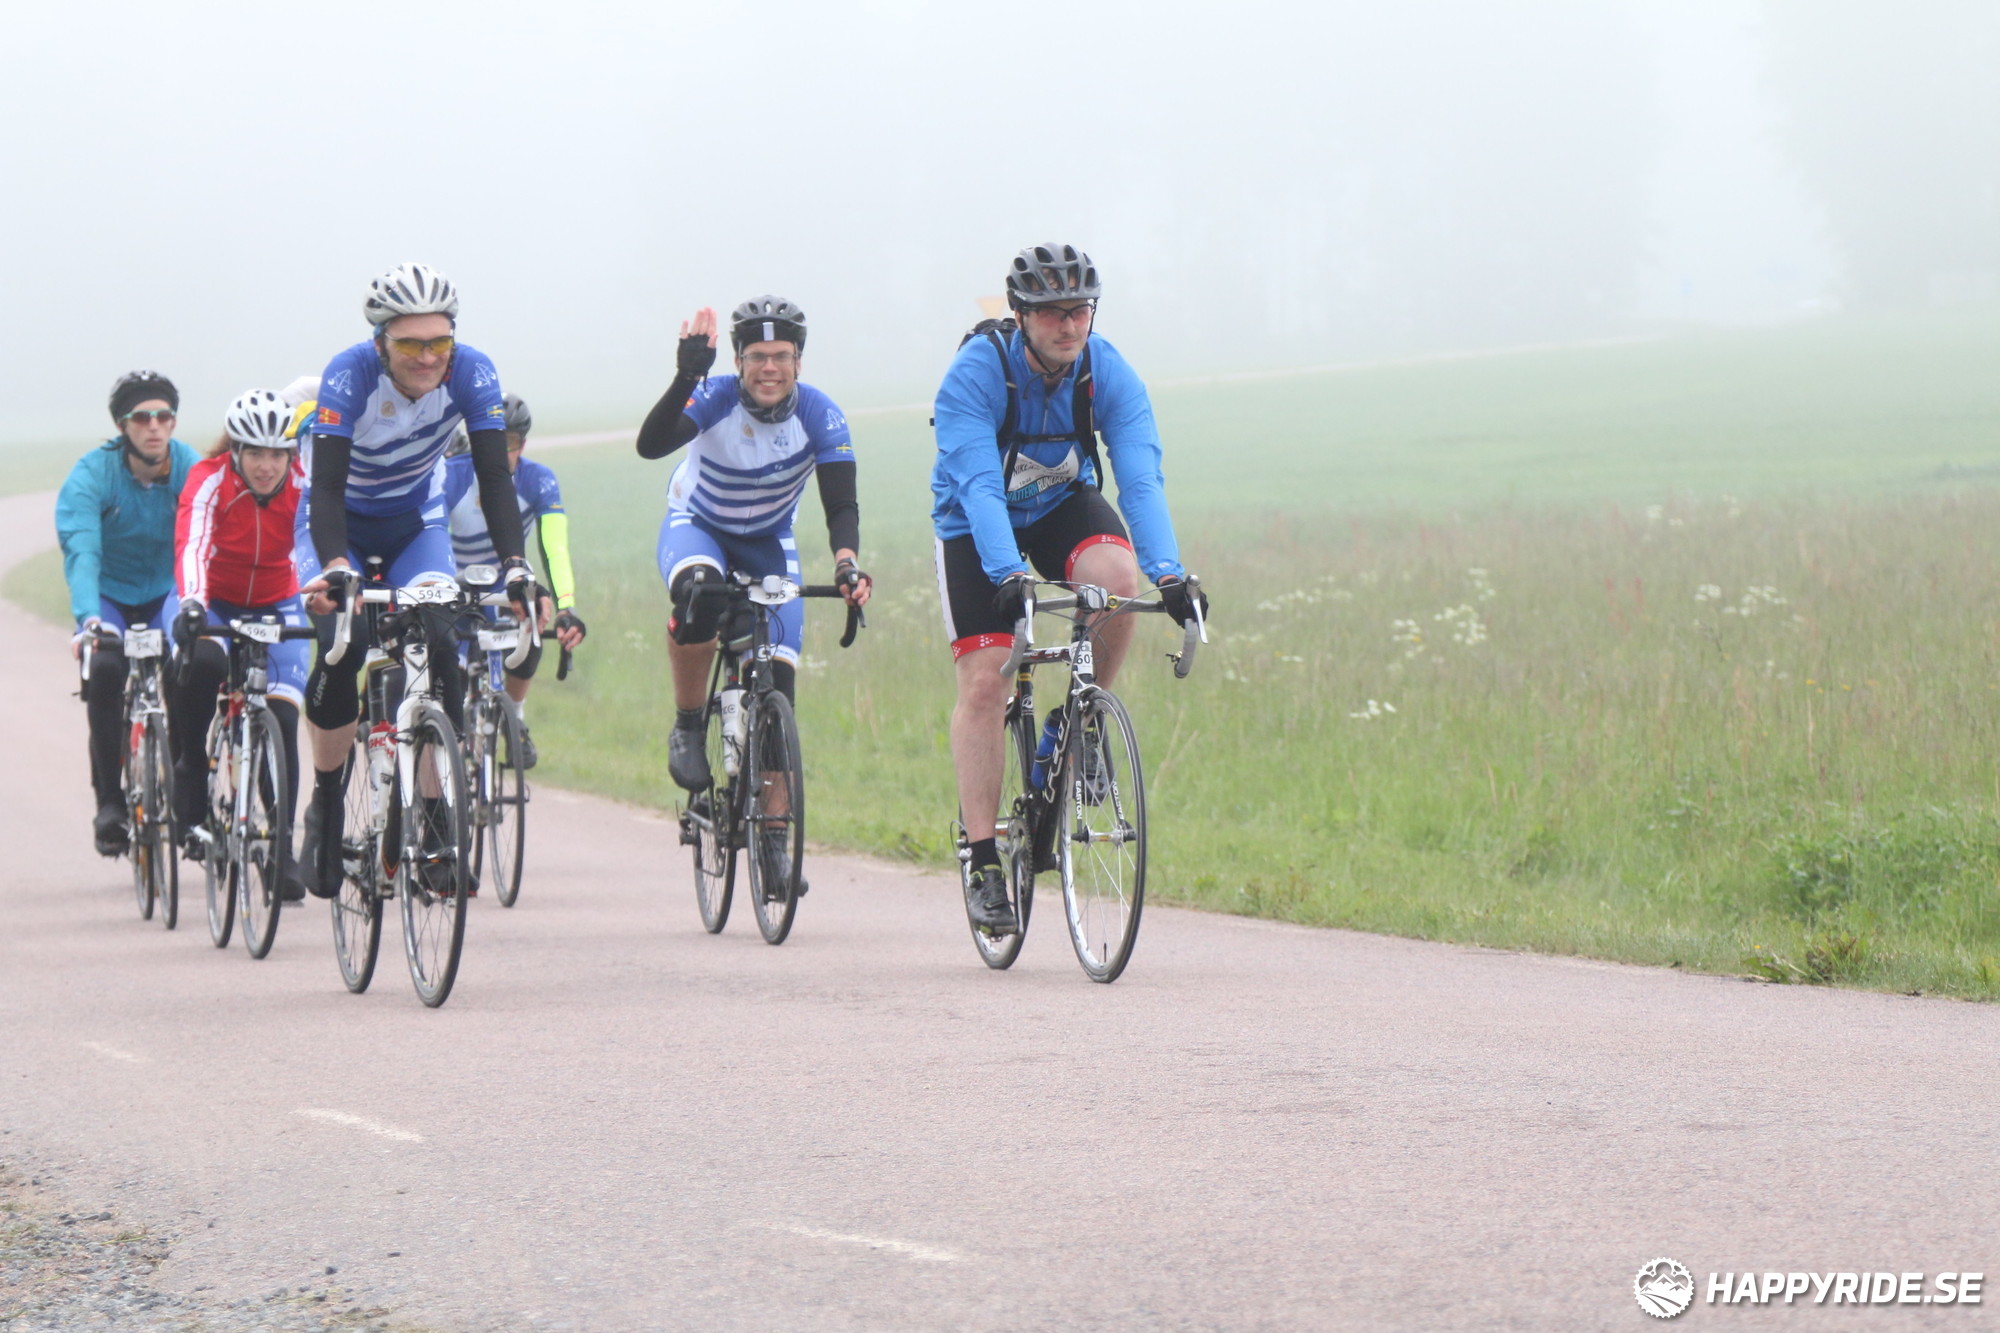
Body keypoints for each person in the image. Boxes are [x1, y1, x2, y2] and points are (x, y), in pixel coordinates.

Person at [930, 243, 1209, 934]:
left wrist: (1170, 573)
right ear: (1020, 315)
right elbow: (979, 486)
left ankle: (1078, 722)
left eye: (1080, 311)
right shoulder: (976, 375)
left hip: (1059, 506)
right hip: (975, 524)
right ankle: (983, 858)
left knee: (1118, 580)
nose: (1069, 325)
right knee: (986, 684)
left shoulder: (1105, 371)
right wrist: (1008, 576)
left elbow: (1139, 476)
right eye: (1053, 313)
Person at [295, 262, 532, 897]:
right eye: (409, 344)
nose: (427, 358)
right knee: (342, 646)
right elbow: (325, 489)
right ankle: (325, 801)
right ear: (381, 342)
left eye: (439, 342)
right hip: (337, 523)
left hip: (413, 523)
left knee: (439, 636)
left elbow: (494, 477)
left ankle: (434, 817)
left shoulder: (472, 372)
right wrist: (336, 567)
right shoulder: (348, 375)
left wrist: (515, 565)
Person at [636, 297, 870, 844]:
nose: (770, 368)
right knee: (700, 595)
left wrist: (847, 564)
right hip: (698, 525)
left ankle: (775, 839)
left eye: (782, 356)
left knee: (778, 682)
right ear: (737, 360)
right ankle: (688, 723)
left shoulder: (821, 415)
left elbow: (841, 505)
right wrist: (686, 375)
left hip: (767, 541)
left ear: (799, 362)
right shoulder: (714, 396)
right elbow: (651, 446)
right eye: (757, 356)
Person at [168, 389, 312, 899]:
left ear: (291, 455)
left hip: (278, 601)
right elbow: (193, 544)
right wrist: (191, 604)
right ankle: (190, 764)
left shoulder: (304, 483)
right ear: (235, 451)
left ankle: (282, 849)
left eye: (277, 454)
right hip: (211, 598)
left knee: (284, 719)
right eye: (255, 453)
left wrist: (326, 595)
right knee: (202, 661)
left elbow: (317, 543)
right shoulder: (209, 479)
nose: (267, 466)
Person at [55, 371, 196, 856]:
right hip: (109, 596)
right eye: (141, 417)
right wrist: (89, 620)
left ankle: (184, 790)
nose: (154, 426)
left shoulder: (189, 468)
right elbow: (82, 551)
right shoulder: (92, 474)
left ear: (173, 422)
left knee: (186, 664)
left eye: (163, 416)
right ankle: (110, 802)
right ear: (122, 425)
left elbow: (202, 540)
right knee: (106, 668)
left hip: (165, 592)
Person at [441, 392, 586, 767]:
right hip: (454, 578)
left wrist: (566, 607)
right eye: (489, 440)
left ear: (522, 444)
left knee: (533, 618)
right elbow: (433, 535)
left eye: (508, 442)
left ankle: (515, 718)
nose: (498, 451)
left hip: (506, 582)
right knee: (450, 672)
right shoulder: (453, 475)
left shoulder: (537, 480)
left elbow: (554, 547)